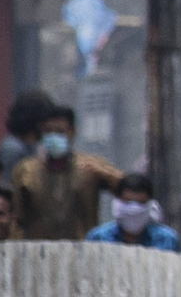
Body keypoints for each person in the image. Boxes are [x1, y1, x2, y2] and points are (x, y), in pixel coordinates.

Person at [9, 104, 125, 242]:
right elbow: (15, 218)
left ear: (72, 132)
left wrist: (105, 174)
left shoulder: (90, 167)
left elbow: (128, 189)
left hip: (83, 248)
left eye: (60, 132)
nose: (54, 137)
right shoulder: (26, 170)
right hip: (38, 249)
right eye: (48, 132)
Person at [86, 172, 181, 251]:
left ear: (151, 204)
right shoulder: (99, 238)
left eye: (141, 202)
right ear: (117, 202)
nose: (134, 209)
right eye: (127, 202)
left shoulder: (167, 240)